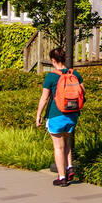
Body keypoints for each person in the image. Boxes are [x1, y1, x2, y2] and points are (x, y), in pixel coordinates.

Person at [34, 47, 84, 186]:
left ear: (53, 60)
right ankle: (69, 168)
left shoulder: (51, 76)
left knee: (58, 147)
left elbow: (44, 98)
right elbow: (83, 92)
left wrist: (38, 115)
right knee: (67, 144)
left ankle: (62, 177)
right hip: (72, 115)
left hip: (56, 115)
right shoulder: (75, 74)